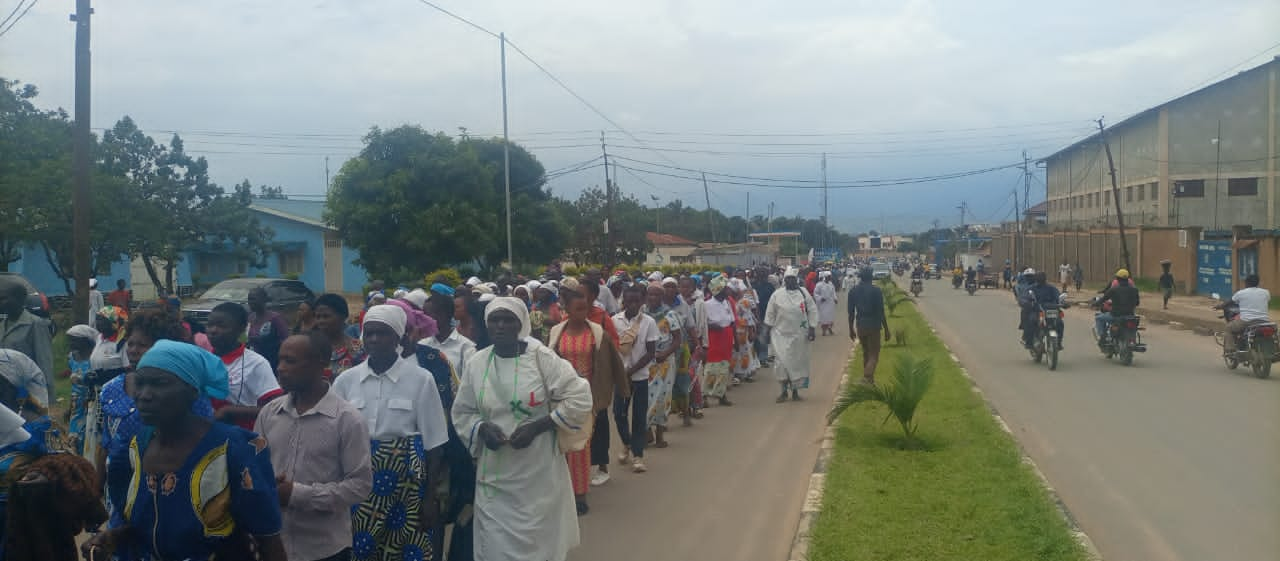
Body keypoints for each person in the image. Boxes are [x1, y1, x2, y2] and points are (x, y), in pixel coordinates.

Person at [88, 340, 286, 561]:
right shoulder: (133, 449)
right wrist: (114, 537)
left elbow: (268, 540)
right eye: (140, 383)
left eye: (159, 384)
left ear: (192, 391)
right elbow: (141, 524)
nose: (144, 395)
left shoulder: (234, 449)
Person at [451, 297, 592, 561]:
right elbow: (462, 411)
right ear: (486, 324)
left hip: (538, 474)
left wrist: (539, 426)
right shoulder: (477, 363)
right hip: (495, 478)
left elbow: (580, 397)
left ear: (521, 324)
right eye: (495, 320)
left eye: (508, 320)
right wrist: (481, 429)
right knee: (494, 545)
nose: (501, 326)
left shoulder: (542, 359)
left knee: (540, 546)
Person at [332, 304, 450, 561]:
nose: (374, 339)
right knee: (360, 549)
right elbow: (332, 436)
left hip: (407, 483)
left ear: (399, 336)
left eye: (382, 333)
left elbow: (434, 444)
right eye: (369, 333)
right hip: (358, 481)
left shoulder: (421, 378)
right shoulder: (346, 380)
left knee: (407, 549)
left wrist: (429, 498)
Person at [255, 333, 373, 561]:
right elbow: (254, 467)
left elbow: (360, 485)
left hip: (323, 548)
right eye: (279, 360)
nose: (280, 368)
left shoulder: (347, 419)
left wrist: (297, 495)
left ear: (320, 363)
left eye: (290, 361)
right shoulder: (269, 413)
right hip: (273, 545)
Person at [97, 310, 210, 483]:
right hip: (118, 485)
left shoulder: (184, 391)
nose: (133, 351)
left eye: (142, 345)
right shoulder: (110, 389)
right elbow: (105, 443)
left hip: (169, 482)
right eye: (130, 344)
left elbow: (201, 440)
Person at [548, 287, 627, 513]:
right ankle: (563, 492)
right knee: (562, 444)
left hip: (586, 397)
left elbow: (612, 362)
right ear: (567, 309)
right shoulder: (556, 333)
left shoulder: (596, 333)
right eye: (578, 308)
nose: (583, 313)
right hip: (561, 396)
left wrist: (620, 388)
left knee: (581, 444)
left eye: (585, 308)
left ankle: (580, 495)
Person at [207, 302, 283, 430]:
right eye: (210, 325)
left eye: (221, 326)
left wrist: (229, 411)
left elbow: (275, 408)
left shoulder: (256, 363)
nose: (213, 330)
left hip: (244, 437)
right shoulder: (202, 360)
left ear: (241, 328)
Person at [611, 284, 659, 472]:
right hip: (620, 377)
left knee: (639, 417)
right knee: (618, 414)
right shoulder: (614, 321)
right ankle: (627, 442)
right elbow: (610, 349)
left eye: (636, 301)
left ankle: (638, 456)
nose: (632, 304)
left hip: (639, 377)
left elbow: (650, 352)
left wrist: (631, 371)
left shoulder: (648, 322)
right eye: (629, 300)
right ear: (623, 301)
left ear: (642, 301)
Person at [765, 267, 818, 402]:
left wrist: (812, 328)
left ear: (796, 280)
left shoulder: (804, 293)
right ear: (784, 280)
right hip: (780, 335)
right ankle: (783, 392)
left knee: (796, 364)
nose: (790, 281)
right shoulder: (777, 294)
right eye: (788, 279)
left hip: (799, 335)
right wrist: (766, 332)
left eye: (793, 279)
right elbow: (770, 314)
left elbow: (812, 310)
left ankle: (795, 392)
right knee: (781, 364)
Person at [642, 283, 683, 449]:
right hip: (645, 361)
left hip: (664, 363)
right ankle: (646, 432)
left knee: (662, 398)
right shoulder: (642, 314)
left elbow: (677, 339)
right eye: (650, 295)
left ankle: (659, 435)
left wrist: (665, 353)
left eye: (656, 295)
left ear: (662, 297)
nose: (653, 298)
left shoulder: (669, 315)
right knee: (644, 398)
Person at [0, 278, 53, 399]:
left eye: (4, 298)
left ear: (19, 299)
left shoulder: (35, 324)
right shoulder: (2, 325)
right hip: (4, 389)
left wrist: (47, 396)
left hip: (26, 390)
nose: (1, 302)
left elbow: (44, 360)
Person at [847, 268, 890, 385]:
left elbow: (851, 313)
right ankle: (866, 377)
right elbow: (881, 311)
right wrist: (886, 329)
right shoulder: (876, 291)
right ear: (871, 277)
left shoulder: (853, 291)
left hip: (860, 325)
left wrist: (851, 329)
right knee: (874, 355)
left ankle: (870, 382)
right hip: (874, 325)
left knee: (866, 353)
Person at [701, 275, 736, 406]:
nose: (728, 291)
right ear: (718, 290)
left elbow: (732, 321)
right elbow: (703, 324)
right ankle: (704, 396)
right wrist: (712, 326)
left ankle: (721, 395)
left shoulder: (726, 303)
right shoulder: (707, 304)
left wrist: (735, 340)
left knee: (724, 368)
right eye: (725, 289)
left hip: (726, 337)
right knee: (711, 368)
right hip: (714, 338)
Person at [314, 293, 367, 378]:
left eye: (326, 316)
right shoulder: (310, 347)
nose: (321, 321)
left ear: (343, 317)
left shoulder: (358, 349)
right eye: (317, 317)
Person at [65, 325, 98, 456]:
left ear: (86, 340)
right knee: (74, 436)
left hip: (92, 403)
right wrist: (70, 408)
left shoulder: (95, 358)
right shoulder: (72, 358)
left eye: (75, 340)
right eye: (70, 340)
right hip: (76, 404)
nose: (71, 343)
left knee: (89, 435)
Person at [1220, 274, 1270, 354]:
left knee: (1228, 328)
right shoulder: (1266, 292)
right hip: (1264, 321)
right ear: (1258, 283)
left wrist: (1219, 306)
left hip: (1247, 321)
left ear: (1246, 283)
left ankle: (1230, 350)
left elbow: (1229, 302)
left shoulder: (1241, 293)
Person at [247, 287, 290, 372]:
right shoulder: (250, 318)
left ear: (264, 300)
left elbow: (286, 341)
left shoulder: (275, 318)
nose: (250, 302)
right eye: (249, 299)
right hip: (254, 363)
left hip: (272, 363)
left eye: (253, 299)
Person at [1022, 272, 1065, 348]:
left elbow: (1058, 297)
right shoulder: (1031, 288)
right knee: (1031, 321)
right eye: (1039, 278)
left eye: (1042, 278)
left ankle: (1058, 342)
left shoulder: (1051, 288)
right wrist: (1027, 302)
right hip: (1037, 311)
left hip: (1051, 311)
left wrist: (1063, 303)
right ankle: (1029, 342)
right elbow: (1024, 298)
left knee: (1059, 323)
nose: (1041, 279)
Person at [730, 278, 759, 383]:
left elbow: (748, 317)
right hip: (732, 332)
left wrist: (751, 332)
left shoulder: (744, 302)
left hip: (742, 332)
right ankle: (734, 374)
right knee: (733, 353)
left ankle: (745, 372)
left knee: (744, 352)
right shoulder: (729, 301)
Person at [814, 272, 838, 336]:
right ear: (825, 277)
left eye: (830, 276)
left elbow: (833, 292)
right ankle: (824, 331)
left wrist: (835, 298)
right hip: (823, 304)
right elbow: (815, 293)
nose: (830, 278)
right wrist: (820, 298)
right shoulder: (819, 285)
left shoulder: (831, 284)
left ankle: (830, 328)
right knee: (824, 318)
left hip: (830, 303)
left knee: (831, 317)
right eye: (829, 276)